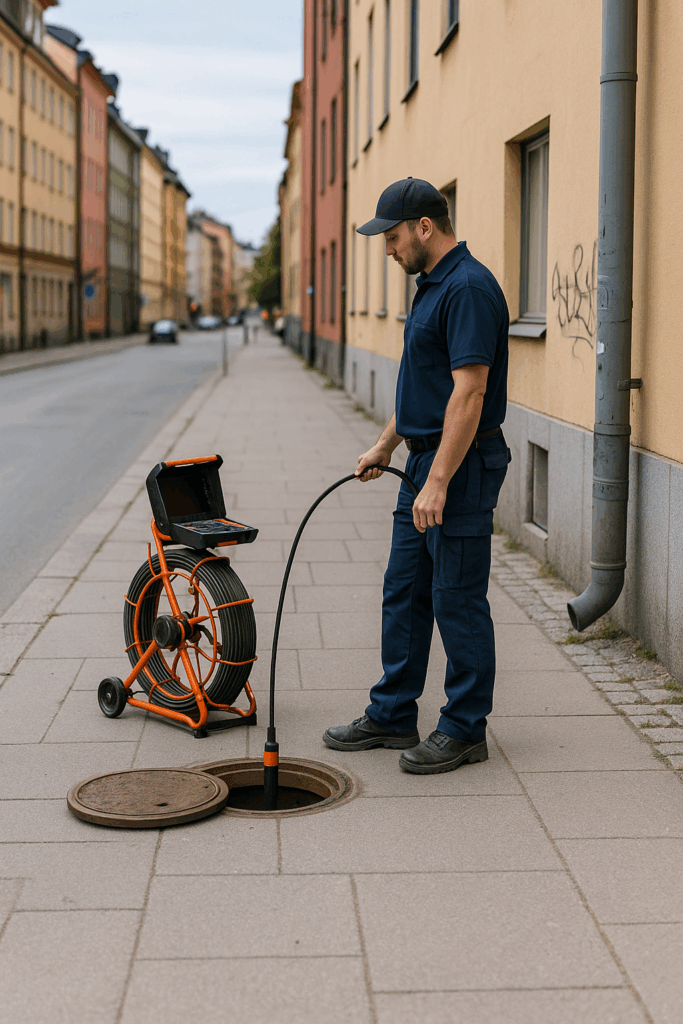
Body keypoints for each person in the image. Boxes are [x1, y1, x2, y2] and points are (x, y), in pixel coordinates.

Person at [323, 177, 510, 774]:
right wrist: (386, 446)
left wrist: (439, 481)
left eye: (393, 236)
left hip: (461, 464)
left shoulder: (468, 289)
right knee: (405, 588)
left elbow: (470, 393)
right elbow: (422, 386)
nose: (387, 248)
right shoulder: (432, 287)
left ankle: (464, 728)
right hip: (423, 461)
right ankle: (393, 712)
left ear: (425, 227)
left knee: (457, 597)